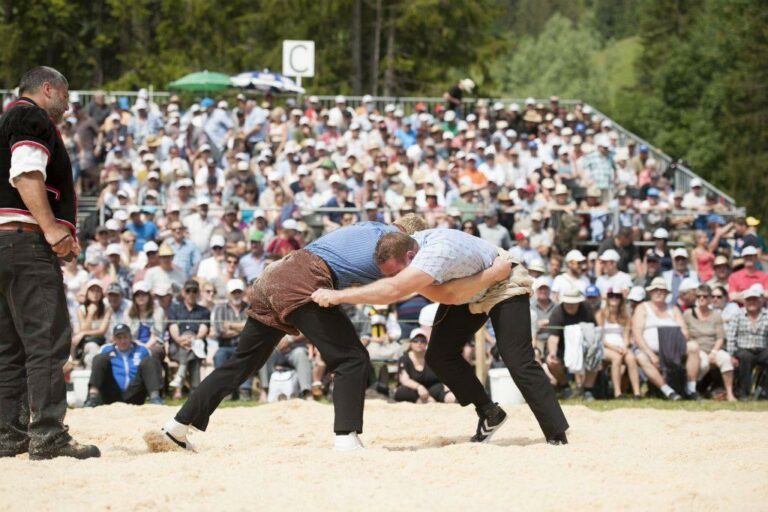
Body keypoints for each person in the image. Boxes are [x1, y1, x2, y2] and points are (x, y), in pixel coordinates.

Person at [146, 220, 506, 452]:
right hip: (305, 280)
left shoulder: (370, 229)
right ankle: (346, 438)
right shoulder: (396, 259)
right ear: (409, 245)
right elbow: (407, 290)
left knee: (242, 363)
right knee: (352, 358)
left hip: (275, 275)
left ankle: (177, 426)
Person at [311, 228, 569, 445]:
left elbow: (411, 292)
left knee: (517, 359)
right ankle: (489, 412)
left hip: (504, 283)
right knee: (438, 355)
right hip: (469, 289)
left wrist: (338, 296)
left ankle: (556, 434)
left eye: (395, 271)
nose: (392, 276)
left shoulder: (435, 253)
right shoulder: (409, 245)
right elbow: (444, 293)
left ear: (411, 255)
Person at [0, 66, 99, 459]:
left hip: (4, 243)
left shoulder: (6, 119)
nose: (69, 102)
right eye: (66, 93)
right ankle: (48, 436)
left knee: (9, 347)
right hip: (25, 243)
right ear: (48, 89)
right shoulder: (29, 115)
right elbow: (26, 174)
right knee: (46, 340)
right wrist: (53, 229)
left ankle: (9, 436)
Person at [631, 277, 693, 400]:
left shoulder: (673, 309)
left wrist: (676, 343)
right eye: (656, 290)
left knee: (694, 347)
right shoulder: (642, 308)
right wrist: (651, 354)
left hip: (673, 350)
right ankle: (668, 391)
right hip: (649, 350)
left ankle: (691, 389)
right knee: (641, 357)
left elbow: (685, 331)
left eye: (662, 290)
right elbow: (637, 335)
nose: (659, 292)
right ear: (650, 292)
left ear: (666, 293)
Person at [83, 324, 164, 407]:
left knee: (150, 361)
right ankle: (92, 397)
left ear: (130, 337)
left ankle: (155, 398)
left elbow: (151, 371)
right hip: (112, 392)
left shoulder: (142, 350)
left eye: (125, 337)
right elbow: (98, 370)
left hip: (135, 392)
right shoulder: (106, 350)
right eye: (119, 338)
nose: (123, 341)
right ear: (114, 339)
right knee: (99, 359)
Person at [546, 286, 602, 401]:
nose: (570, 305)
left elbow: (594, 330)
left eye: (574, 303)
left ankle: (587, 389)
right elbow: (553, 337)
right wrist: (552, 353)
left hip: (583, 345)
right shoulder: (557, 313)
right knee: (551, 362)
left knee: (595, 354)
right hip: (562, 348)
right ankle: (565, 386)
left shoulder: (586, 308)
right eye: (568, 302)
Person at [684, 284, 735, 401]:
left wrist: (714, 352)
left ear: (710, 298)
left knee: (726, 359)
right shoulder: (687, 314)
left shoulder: (716, 315)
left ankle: (730, 393)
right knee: (704, 364)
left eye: (705, 296)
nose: (701, 299)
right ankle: (692, 390)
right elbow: (685, 334)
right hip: (696, 350)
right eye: (699, 296)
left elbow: (720, 337)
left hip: (713, 348)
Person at [167, 280, 211, 397]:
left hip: (197, 346)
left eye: (194, 291)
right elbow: (173, 328)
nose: (191, 293)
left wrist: (193, 339)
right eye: (188, 290)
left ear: (198, 293)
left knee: (193, 350)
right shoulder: (174, 309)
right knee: (191, 351)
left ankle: (179, 386)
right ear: (183, 292)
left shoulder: (204, 311)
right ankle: (195, 389)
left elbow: (203, 329)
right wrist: (181, 340)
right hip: (176, 346)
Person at [725, 284, 768, 400]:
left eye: (754, 299)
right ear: (744, 302)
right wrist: (731, 355)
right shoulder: (737, 315)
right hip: (743, 349)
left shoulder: (767, 315)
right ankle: (744, 393)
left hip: (762, 348)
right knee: (745, 358)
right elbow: (731, 337)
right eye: (749, 300)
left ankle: (764, 391)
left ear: (760, 301)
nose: (752, 302)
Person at [211, 279, 251, 401]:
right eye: (234, 292)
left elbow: (251, 329)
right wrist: (243, 327)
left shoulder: (249, 308)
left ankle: (245, 390)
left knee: (250, 355)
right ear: (229, 293)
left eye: (239, 291)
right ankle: (225, 391)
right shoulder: (220, 308)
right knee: (220, 355)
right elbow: (220, 331)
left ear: (243, 293)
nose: (236, 294)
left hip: (244, 346)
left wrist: (231, 325)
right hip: (225, 346)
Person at [597, 290, 641, 399]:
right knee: (616, 358)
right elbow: (600, 338)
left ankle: (637, 393)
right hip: (606, 347)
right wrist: (616, 349)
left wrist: (624, 348)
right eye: (611, 296)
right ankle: (617, 392)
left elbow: (626, 336)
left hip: (621, 346)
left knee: (631, 358)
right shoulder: (600, 314)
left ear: (621, 299)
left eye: (617, 296)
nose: (614, 298)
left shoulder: (626, 316)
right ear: (607, 298)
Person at [394, 328, 455, 403]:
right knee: (402, 392)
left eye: (422, 341)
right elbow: (404, 380)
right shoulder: (404, 359)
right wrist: (419, 387)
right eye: (415, 340)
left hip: (434, 389)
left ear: (426, 343)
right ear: (410, 343)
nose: (419, 343)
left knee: (450, 397)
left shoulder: (433, 358)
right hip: (413, 390)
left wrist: (447, 386)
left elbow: (443, 374)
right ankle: (425, 401)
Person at [72, 279, 112, 368]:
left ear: (102, 293)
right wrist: (90, 314)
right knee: (92, 348)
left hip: (103, 341)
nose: (95, 293)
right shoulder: (81, 309)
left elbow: (102, 331)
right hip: (87, 343)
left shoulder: (107, 309)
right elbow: (84, 328)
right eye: (92, 290)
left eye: (98, 291)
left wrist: (83, 333)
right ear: (87, 293)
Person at [124, 280, 166, 360]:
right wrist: (137, 345)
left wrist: (144, 349)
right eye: (137, 295)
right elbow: (128, 334)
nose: (140, 297)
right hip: (134, 344)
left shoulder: (158, 311)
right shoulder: (128, 313)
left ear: (149, 296)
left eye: (143, 294)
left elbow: (157, 335)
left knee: (152, 353)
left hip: (154, 345)